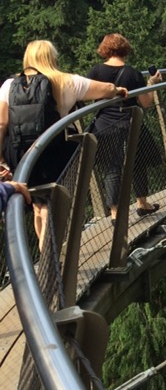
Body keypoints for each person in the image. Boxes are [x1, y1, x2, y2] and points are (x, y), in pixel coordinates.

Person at [0, 39, 129, 242]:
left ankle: (46, 256)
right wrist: (117, 91)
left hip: (21, 154)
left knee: (37, 205)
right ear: (52, 58)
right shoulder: (65, 81)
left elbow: (1, 123)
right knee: (52, 203)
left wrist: (1, 159)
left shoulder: (10, 85)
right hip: (54, 150)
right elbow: (104, 89)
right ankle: (51, 255)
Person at [86, 33, 163, 222]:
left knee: (112, 168)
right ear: (125, 49)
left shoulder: (96, 71)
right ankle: (142, 203)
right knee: (138, 162)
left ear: (105, 49)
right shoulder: (132, 73)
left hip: (105, 124)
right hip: (130, 122)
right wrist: (151, 84)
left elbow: (86, 94)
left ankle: (115, 213)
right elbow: (145, 103)